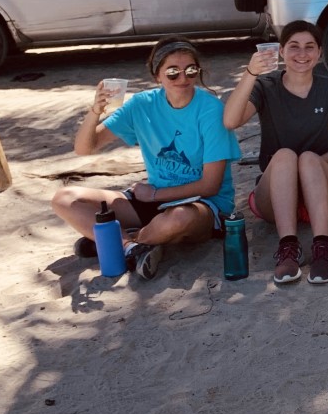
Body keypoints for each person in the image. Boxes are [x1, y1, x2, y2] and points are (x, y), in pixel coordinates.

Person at [51, 39, 241, 280]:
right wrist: (95, 111)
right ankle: (129, 245)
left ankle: (111, 242)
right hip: (152, 197)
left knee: (179, 217)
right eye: (172, 72)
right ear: (157, 76)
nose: (183, 78)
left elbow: (210, 185)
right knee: (64, 198)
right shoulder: (141, 104)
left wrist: (152, 195)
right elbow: (84, 148)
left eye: (191, 70)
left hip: (202, 204)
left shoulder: (211, 109)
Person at [222, 21, 328, 285]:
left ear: (319, 52)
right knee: (284, 155)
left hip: (325, 192)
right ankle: (287, 248)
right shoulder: (265, 86)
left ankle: (322, 247)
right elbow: (230, 121)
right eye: (294, 47)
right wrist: (250, 73)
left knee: (306, 158)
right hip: (276, 196)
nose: (302, 54)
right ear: (281, 51)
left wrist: (314, 165)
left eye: (309, 47)